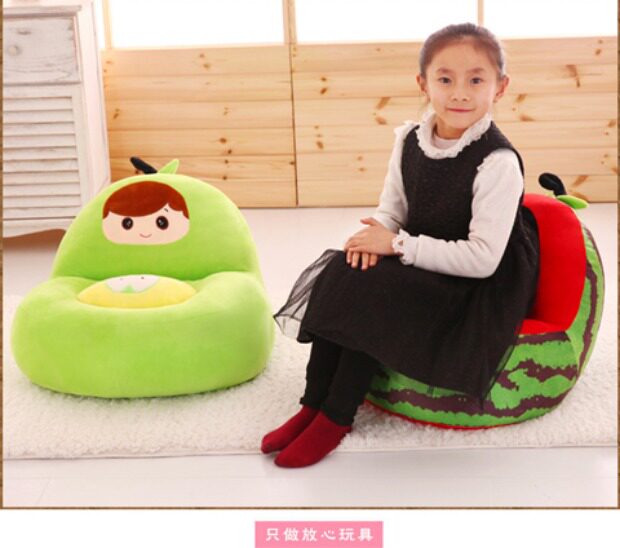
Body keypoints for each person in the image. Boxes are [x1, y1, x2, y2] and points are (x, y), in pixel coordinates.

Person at [262, 23, 540, 468]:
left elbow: (482, 260)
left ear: (500, 87)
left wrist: (395, 244)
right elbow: (392, 207)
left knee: (378, 294)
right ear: (423, 84)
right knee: (346, 269)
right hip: (420, 254)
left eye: (476, 80)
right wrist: (374, 238)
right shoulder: (410, 139)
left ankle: (336, 417)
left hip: (470, 282)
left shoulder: (497, 162)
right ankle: (312, 404)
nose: (460, 93)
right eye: (445, 79)